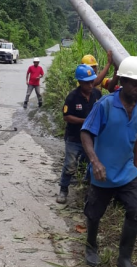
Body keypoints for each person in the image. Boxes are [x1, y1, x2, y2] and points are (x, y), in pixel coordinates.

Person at [80, 56, 137, 267]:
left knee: (136, 209)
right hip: (104, 171)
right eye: (135, 84)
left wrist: (136, 167)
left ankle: (125, 258)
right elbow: (85, 133)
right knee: (94, 213)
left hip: (127, 171)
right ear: (123, 81)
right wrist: (95, 162)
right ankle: (91, 246)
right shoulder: (105, 105)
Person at [56, 64, 102, 204]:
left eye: (92, 81)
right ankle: (63, 189)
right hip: (74, 138)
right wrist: (85, 121)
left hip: (92, 138)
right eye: (87, 82)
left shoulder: (97, 94)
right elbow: (66, 116)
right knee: (70, 164)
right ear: (80, 82)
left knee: (91, 164)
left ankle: (89, 190)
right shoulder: (72, 97)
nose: (90, 84)